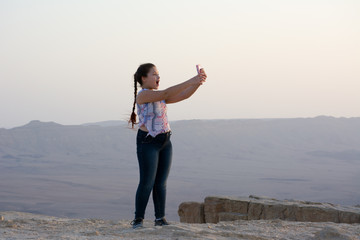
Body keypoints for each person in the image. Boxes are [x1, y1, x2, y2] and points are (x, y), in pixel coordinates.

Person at [129, 63, 207, 228]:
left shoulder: (159, 96)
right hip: (148, 142)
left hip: (165, 142)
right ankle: (138, 220)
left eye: (158, 74)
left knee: (161, 183)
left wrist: (197, 83)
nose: (158, 77)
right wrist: (191, 79)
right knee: (147, 182)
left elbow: (184, 95)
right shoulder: (142, 96)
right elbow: (166, 92)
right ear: (144, 78)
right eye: (154, 74)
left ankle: (160, 219)